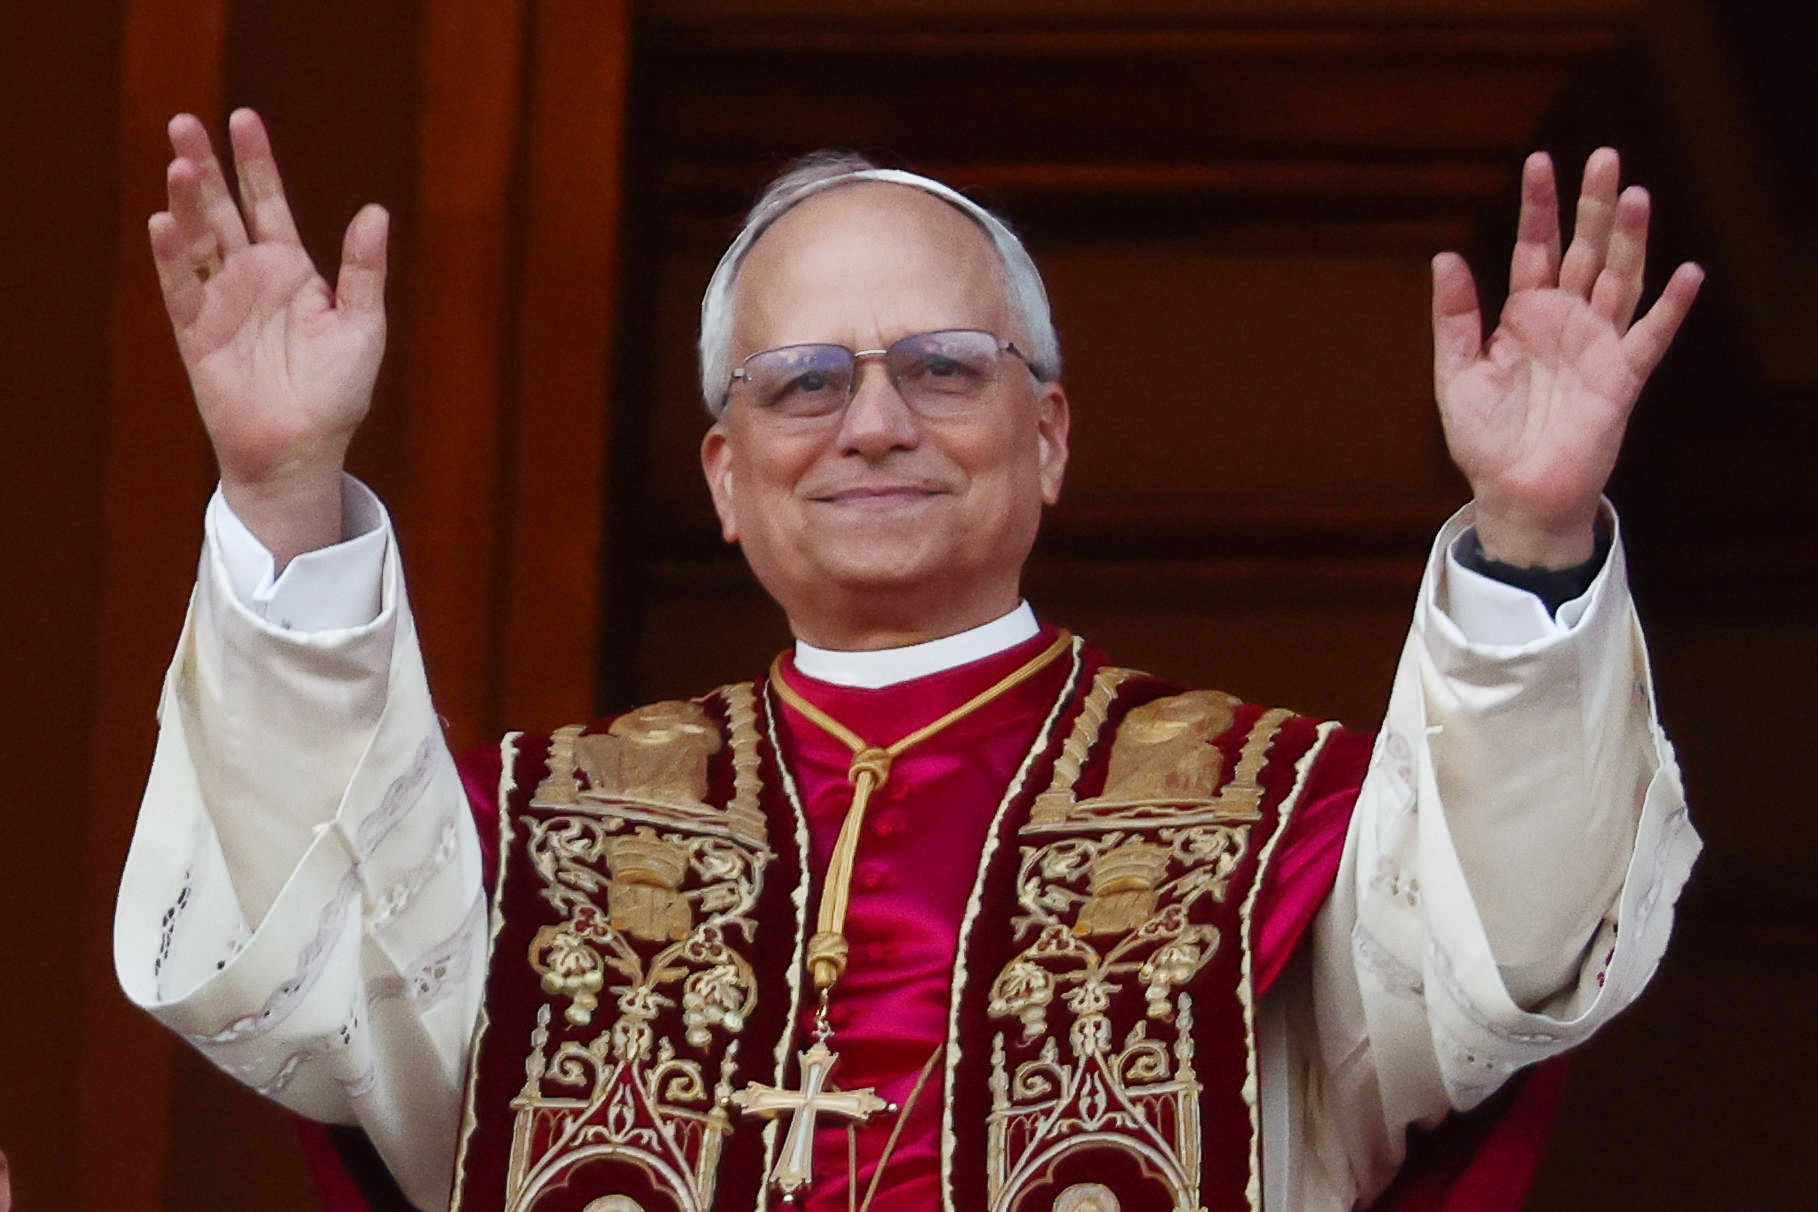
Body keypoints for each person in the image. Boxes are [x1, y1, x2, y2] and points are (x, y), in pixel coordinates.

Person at [116, 108, 1703, 1212]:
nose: (875, 420)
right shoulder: (538, 842)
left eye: (944, 367)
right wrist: (281, 494)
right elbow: (319, 982)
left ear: (1049, 434)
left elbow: (1506, 954)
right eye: (803, 383)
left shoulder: (1273, 819)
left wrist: (1528, 532)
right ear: (725, 478)